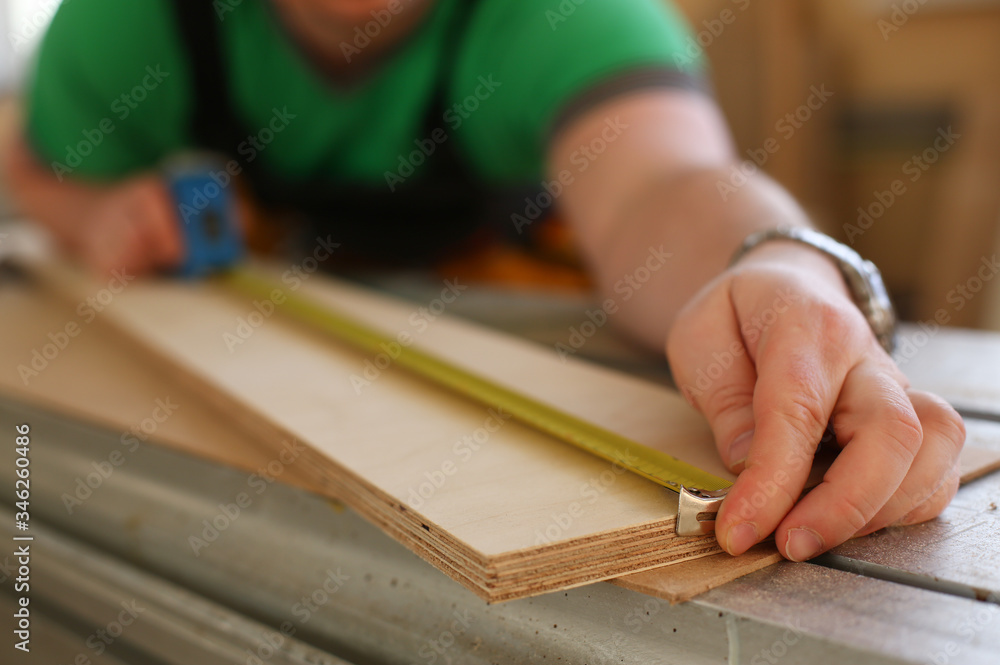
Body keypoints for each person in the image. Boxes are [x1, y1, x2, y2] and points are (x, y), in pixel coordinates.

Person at [1, 0, 964, 563]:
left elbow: (662, 190)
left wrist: (777, 259)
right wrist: (89, 211)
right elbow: (20, 150)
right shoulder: (129, 25)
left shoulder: (565, 20)